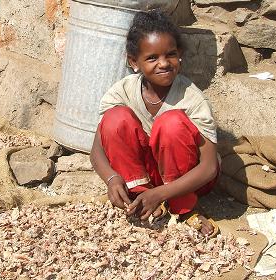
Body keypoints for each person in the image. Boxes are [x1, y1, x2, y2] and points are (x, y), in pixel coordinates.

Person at [90, 9, 220, 236]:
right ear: (134, 62)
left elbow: (209, 167)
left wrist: (162, 192)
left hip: (189, 178)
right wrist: (111, 179)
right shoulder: (122, 92)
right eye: (152, 58)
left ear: (179, 54)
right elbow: (96, 151)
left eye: (170, 54)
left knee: (170, 123)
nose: (163, 64)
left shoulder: (191, 98)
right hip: (149, 175)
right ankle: (141, 197)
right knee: (115, 118)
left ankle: (184, 208)